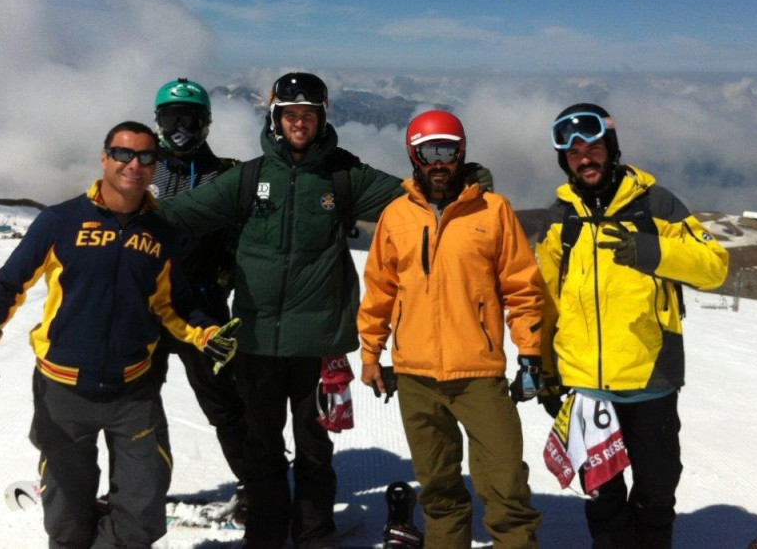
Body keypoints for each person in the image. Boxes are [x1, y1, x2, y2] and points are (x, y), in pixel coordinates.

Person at [156, 73, 493, 548]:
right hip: (256, 342)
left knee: (314, 447)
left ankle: (314, 533)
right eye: (290, 115)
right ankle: (266, 534)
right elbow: (178, 214)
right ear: (276, 119)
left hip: (318, 345)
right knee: (261, 446)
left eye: (308, 115)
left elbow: (413, 197)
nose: (299, 123)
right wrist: (111, 203)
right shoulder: (249, 178)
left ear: (320, 119)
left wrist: (462, 182)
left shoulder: (343, 175)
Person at [0, 121, 239, 549]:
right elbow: (8, 284)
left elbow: (175, 302)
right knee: (67, 523)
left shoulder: (162, 232)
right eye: (123, 154)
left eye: (146, 157)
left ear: (155, 166)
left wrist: (207, 332)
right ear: (104, 157)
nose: (134, 164)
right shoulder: (60, 221)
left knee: (143, 514)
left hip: (134, 391)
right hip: (62, 390)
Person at [535, 104, 729, 549]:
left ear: (612, 147)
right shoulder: (561, 219)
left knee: (656, 492)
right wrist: (545, 371)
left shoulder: (656, 205)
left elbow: (715, 266)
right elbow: (547, 301)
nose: (585, 159)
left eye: (593, 148)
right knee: (603, 497)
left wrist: (653, 252)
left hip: (650, 379)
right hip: (588, 388)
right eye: (573, 153)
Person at [358, 110, 544, 548]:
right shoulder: (396, 216)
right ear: (414, 156)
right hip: (416, 377)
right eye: (428, 153)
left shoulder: (494, 211)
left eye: (447, 151)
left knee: (506, 489)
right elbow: (380, 289)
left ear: (461, 153)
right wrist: (370, 354)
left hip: (479, 374)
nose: (438, 162)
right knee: (439, 492)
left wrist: (531, 353)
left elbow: (522, 287)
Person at [147, 77, 248, 511]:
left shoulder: (226, 177)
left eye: (189, 119)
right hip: (144, 311)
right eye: (172, 119)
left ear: (205, 123)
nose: (180, 129)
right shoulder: (141, 170)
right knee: (135, 406)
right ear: (158, 121)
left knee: (225, 403)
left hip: (203, 311)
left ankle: (257, 485)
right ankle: (135, 489)